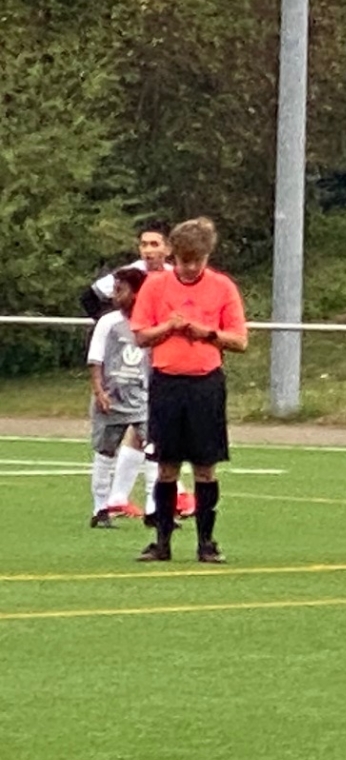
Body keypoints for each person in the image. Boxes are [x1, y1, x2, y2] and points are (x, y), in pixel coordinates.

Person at [127, 217, 246, 563]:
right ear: (173, 256)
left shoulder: (222, 287)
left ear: (207, 256)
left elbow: (239, 340)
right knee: (166, 465)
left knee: (206, 466)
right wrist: (169, 326)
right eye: (184, 260)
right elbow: (141, 335)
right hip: (167, 382)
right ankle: (162, 541)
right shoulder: (155, 286)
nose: (191, 267)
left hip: (205, 384)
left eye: (198, 260)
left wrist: (205, 333)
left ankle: (206, 542)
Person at [85, 267, 150, 528]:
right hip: (112, 399)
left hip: (141, 399)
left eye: (120, 290)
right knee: (105, 452)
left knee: (154, 449)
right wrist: (99, 391)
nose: (114, 295)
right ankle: (100, 508)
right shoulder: (109, 322)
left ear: (137, 294)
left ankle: (155, 509)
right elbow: (95, 359)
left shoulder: (150, 323)